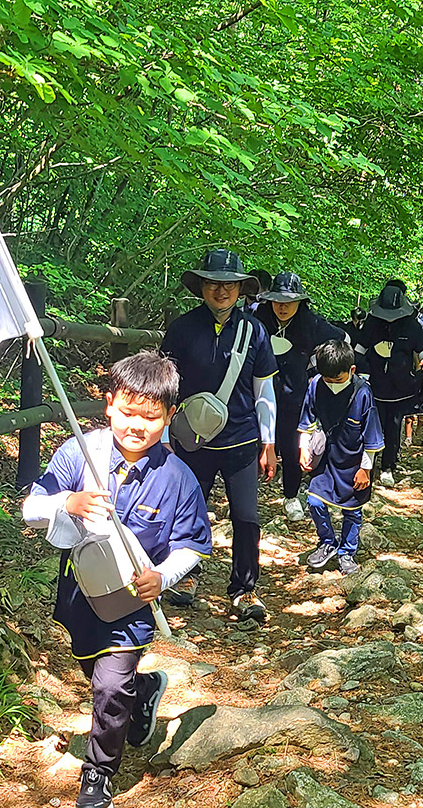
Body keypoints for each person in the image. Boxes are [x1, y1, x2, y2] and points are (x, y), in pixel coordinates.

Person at [21, 352, 213, 808]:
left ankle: (98, 774)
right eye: (127, 411)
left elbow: (192, 544)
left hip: (133, 601)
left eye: (150, 416)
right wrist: (67, 502)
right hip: (80, 591)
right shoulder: (78, 453)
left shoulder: (179, 478)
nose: (136, 425)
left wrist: (162, 578)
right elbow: (31, 508)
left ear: (169, 416)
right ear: (108, 404)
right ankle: (143, 691)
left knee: (109, 686)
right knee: (95, 670)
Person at [159, 248, 278, 622]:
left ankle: (244, 589)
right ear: (202, 287)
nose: (221, 291)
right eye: (213, 283)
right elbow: (165, 389)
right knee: (188, 512)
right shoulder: (181, 329)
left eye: (229, 284)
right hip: (192, 440)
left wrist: (269, 441)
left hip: (242, 440)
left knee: (246, 517)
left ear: (241, 289)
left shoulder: (255, 331)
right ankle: (185, 575)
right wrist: (162, 435)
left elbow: (265, 392)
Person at [253, 272, 350, 524]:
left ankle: (291, 496)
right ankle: (246, 498)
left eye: (289, 301)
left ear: (300, 301)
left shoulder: (311, 323)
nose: (282, 307)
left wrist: (321, 373)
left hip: (294, 399)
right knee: (251, 447)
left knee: (291, 447)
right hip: (257, 397)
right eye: (277, 300)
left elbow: (342, 340)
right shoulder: (258, 320)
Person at [297, 338, 383, 575]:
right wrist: (303, 447)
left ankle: (347, 552)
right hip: (326, 458)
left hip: (354, 463)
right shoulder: (315, 385)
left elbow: (372, 437)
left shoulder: (363, 393)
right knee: (314, 500)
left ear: (352, 370)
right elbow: (307, 420)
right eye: (327, 379)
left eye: (338, 379)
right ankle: (327, 542)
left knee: (353, 510)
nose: (332, 384)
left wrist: (365, 469)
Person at [355, 279, 423, 486]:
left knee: (393, 426)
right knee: (371, 425)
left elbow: (422, 348)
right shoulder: (372, 322)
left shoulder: (411, 324)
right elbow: (360, 349)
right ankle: (367, 465)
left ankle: (388, 466)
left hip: (400, 386)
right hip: (374, 384)